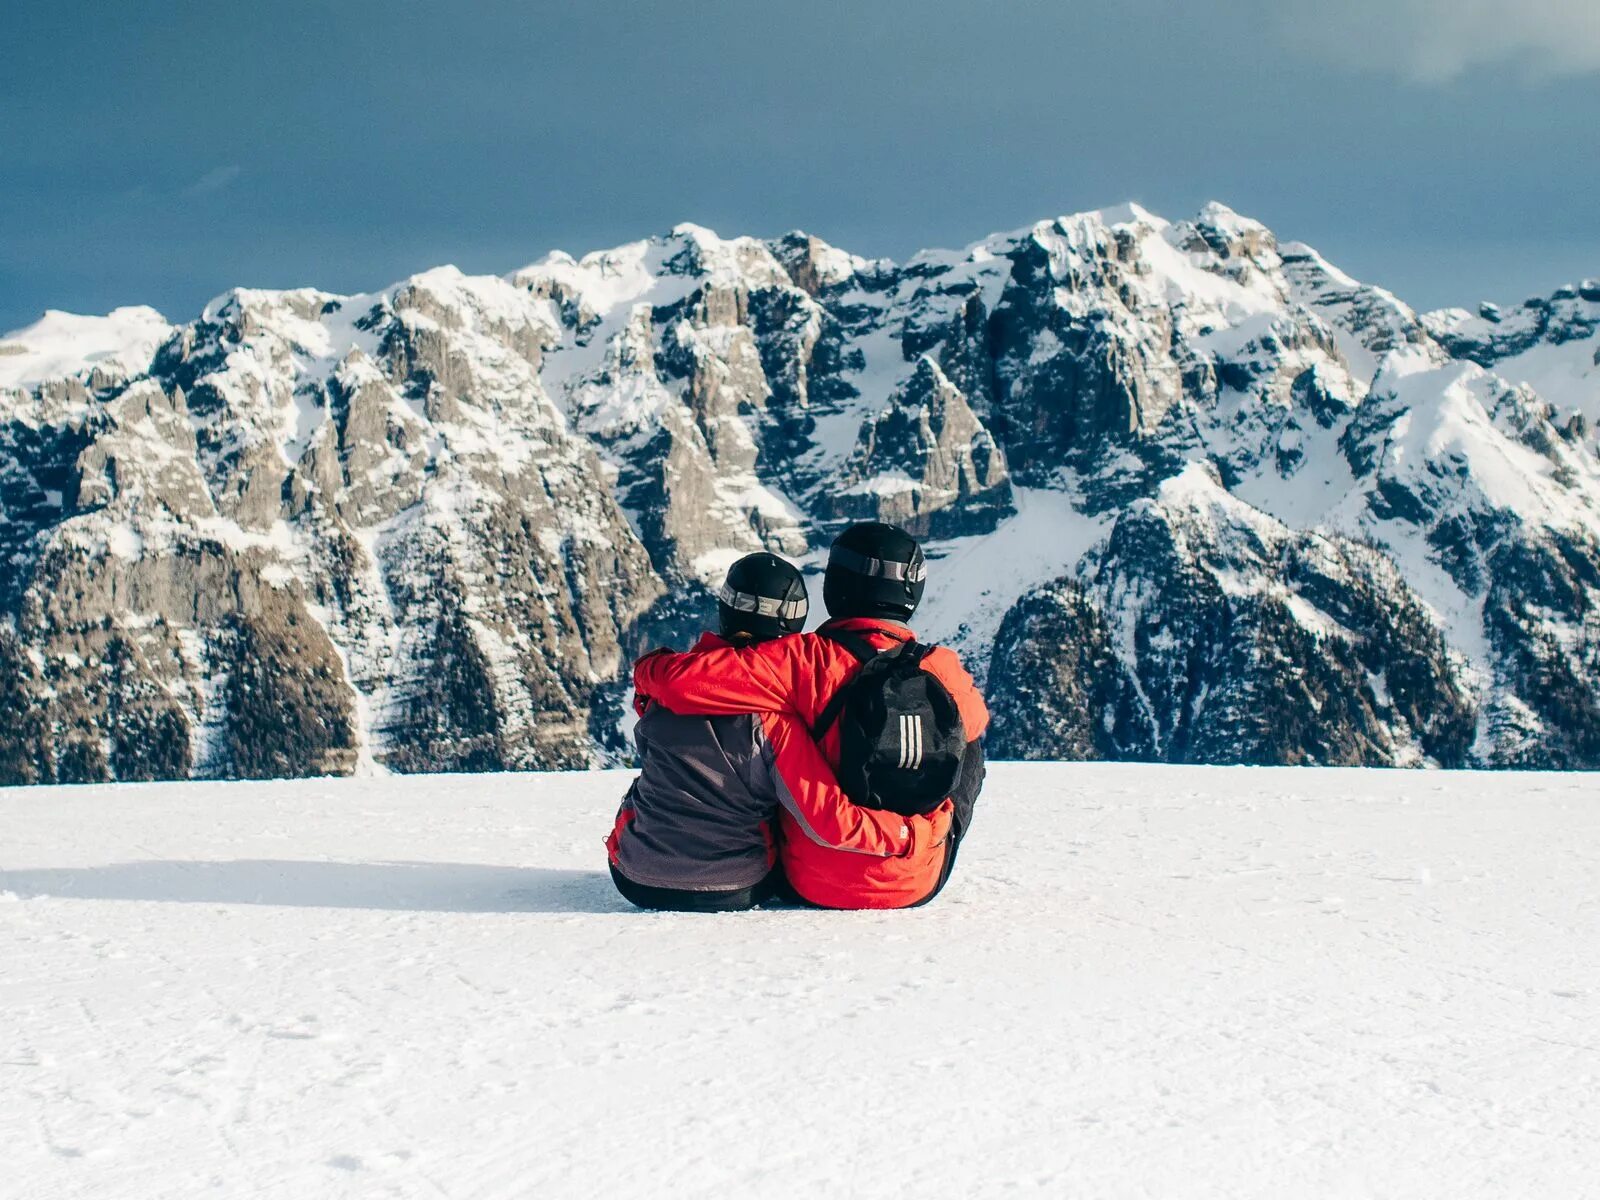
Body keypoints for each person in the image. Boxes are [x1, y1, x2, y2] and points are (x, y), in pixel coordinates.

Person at [633, 522, 988, 909]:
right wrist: (919, 831)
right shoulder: (942, 666)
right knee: (970, 746)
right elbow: (976, 722)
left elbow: (682, 684)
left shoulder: (801, 659)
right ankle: (917, 852)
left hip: (815, 881)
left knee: (771, 738)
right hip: (919, 874)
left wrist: (654, 664)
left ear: (835, 585)